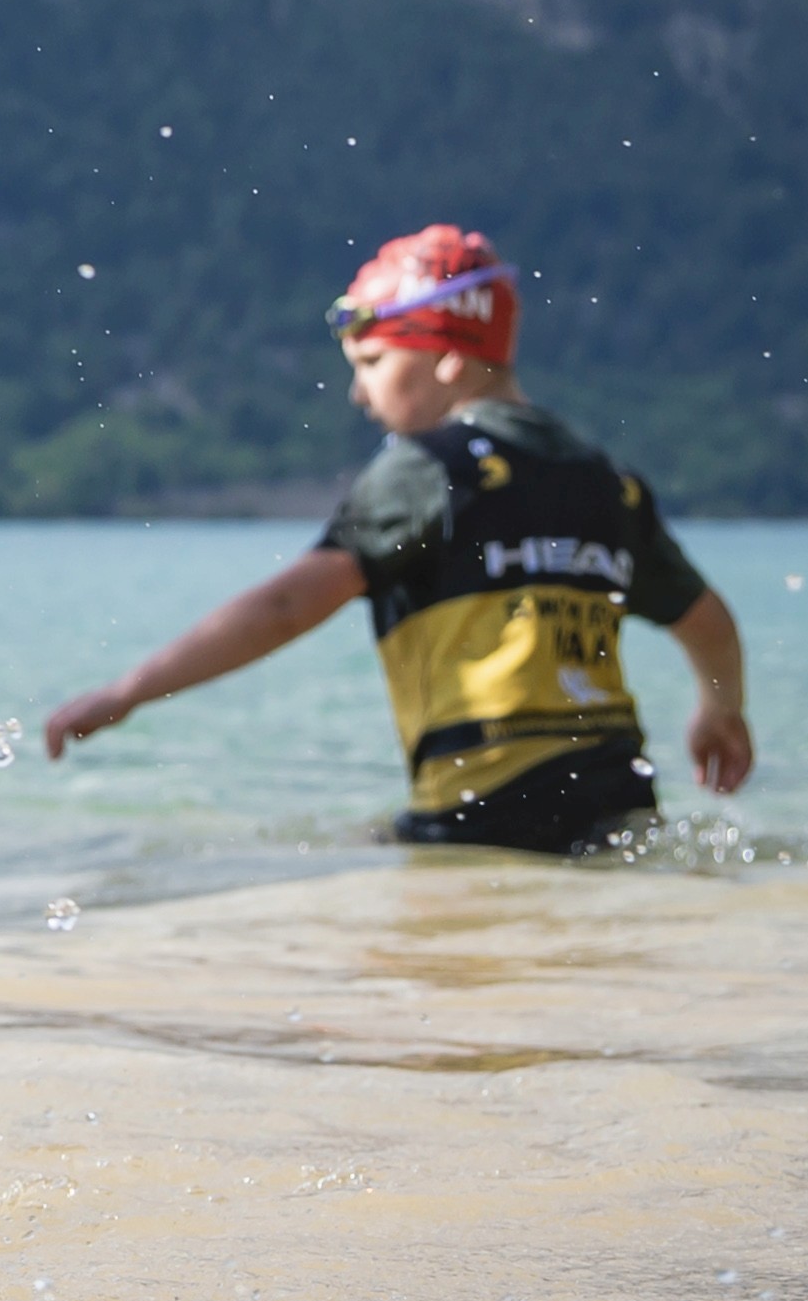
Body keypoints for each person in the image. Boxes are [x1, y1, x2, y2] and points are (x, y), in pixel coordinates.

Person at [39, 226, 755, 855]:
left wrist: (129, 690)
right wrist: (719, 709)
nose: (358, 394)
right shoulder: (604, 481)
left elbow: (287, 605)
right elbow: (708, 622)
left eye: (372, 364)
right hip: (617, 799)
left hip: (485, 810)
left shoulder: (426, 470)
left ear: (446, 355)